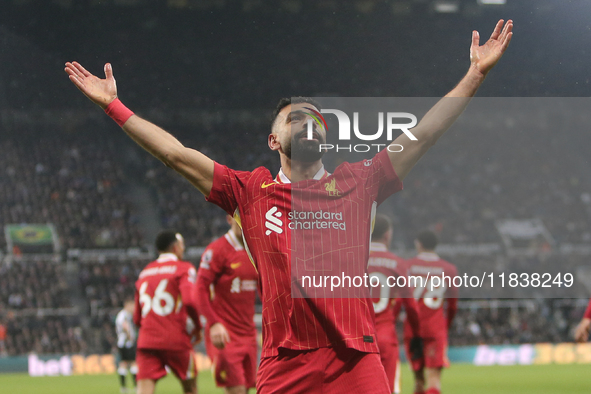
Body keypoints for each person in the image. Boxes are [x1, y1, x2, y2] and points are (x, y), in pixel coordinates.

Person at [65, 19, 512, 394]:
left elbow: (426, 133)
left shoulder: (358, 181)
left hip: (356, 360)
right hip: (284, 364)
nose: (308, 121)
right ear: (274, 140)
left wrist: (475, 76)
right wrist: (114, 107)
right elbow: (176, 154)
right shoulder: (249, 190)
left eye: (315, 117)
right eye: (295, 117)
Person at [132, 231, 201, 394]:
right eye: (182, 245)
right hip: (175, 338)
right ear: (176, 248)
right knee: (190, 387)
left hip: (147, 340)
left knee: (143, 391)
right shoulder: (184, 269)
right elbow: (190, 301)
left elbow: (137, 318)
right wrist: (198, 327)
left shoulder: (145, 272)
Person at [196, 215, 259, 394]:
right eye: (240, 219)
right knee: (236, 389)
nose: (244, 224)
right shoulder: (217, 250)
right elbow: (200, 289)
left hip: (248, 333)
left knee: (247, 388)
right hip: (225, 334)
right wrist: (214, 323)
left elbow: (264, 289)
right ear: (230, 219)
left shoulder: (255, 250)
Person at [368, 214, 422, 394]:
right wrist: (417, 334)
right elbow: (411, 306)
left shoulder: (352, 259)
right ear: (387, 235)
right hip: (384, 337)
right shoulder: (398, 264)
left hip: (358, 337)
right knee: (388, 389)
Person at [403, 230, 458, 394]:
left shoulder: (407, 266)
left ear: (418, 244)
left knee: (418, 379)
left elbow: (401, 299)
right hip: (435, 329)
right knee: (434, 378)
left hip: (412, 330)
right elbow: (453, 306)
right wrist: (445, 326)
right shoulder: (448, 269)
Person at [115, 298, 138, 393]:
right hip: (126, 343)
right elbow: (125, 326)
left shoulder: (125, 315)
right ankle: (136, 387)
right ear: (127, 305)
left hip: (123, 343)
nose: (133, 308)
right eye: (132, 306)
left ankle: (124, 388)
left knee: (123, 364)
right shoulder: (123, 315)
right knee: (133, 363)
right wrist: (130, 337)